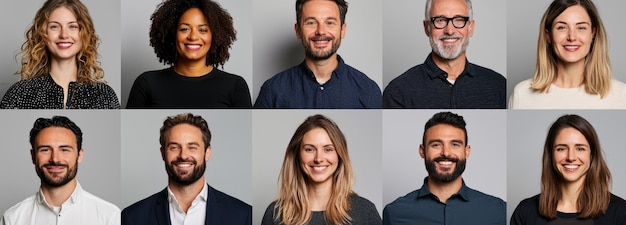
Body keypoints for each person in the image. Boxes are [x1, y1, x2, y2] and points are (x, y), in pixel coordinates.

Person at [122, 113, 251, 224]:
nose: (183, 155)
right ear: (163, 153)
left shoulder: (243, 215)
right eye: (174, 147)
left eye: (192, 147)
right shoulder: (132, 217)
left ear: (207, 153)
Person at [254, 0, 382, 109]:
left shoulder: (368, 90)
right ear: (298, 30)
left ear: (342, 30)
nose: (320, 31)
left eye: (330, 22)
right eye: (311, 22)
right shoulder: (272, 90)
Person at [383, 112, 505, 224]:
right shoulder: (394, 213)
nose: (446, 153)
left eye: (455, 144)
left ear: (466, 152)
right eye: (436, 144)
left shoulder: (499, 211)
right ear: (422, 151)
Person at [126, 0, 252, 108]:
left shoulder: (235, 86)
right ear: (172, 34)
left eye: (202, 30)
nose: (193, 36)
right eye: (184, 29)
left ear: (215, 36)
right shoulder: (146, 84)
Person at [383, 0, 506, 109]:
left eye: (459, 20)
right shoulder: (398, 92)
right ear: (427, 28)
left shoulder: (499, 86)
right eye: (440, 20)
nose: (450, 31)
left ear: (471, 28)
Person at [261, 114, 381, 225]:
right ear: (297, 154)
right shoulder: (275, 214)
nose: (318, 158)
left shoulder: (365, 212)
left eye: (328, 149)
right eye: (309, 149)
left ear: (339, 155)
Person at [0, 0, 120, 109]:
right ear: (43, 33)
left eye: (72, 26)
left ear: (84, 34)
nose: (64, 35)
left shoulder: (105, 96)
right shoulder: (19, 94)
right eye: (54, 26)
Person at [0, 116, 120, 225]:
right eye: (45, 150)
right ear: (33, 156)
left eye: (64, 149)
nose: (55, 159)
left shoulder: (110, 216)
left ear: (79, 155)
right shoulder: (12, 219)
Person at [509, 0, 626, 109]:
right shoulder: (522, 95)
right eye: (562, 27)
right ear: (548, 35)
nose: (572, 37)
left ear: (593, 33)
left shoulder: (621, 96)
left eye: (581, 27)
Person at [511, 114, 626, 224]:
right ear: (551, 154)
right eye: (561, 149)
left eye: (580, 148)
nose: (571, 157)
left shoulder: (621, 213)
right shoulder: (525, 212)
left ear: (592, 155)